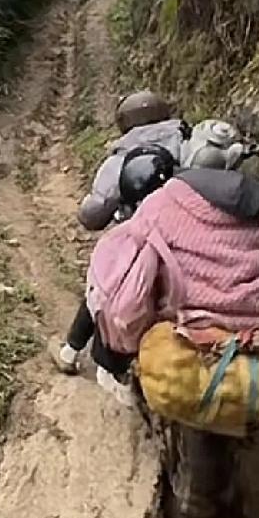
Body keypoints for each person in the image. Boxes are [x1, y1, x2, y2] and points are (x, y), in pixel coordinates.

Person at [85, 160, 259, 408]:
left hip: (192, 325)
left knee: (120, 293)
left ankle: (123, 381)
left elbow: (133, 269)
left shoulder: (162, 203)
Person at [55, 143, 178, 403]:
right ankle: (103, 368)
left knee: (99, 295)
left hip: (117, 302)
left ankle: (73, 352)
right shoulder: (174, 217)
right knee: (121, 304)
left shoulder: (128, 226)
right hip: (150, 309)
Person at [78, 90, 189, 232]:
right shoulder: (189, 143)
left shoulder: (119, 160)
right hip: (191, 230)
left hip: (142, 235)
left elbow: (93, 214)